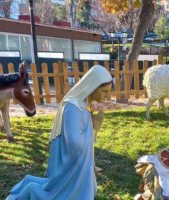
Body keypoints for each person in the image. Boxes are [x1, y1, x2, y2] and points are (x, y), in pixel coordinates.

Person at [7, 65, 112, 200]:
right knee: (58, 194)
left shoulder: (86, 104)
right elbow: (74, 143)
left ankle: (30, 182)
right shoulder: (72, 107)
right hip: (72, 163)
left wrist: (93, 129)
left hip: (80, 164)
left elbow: (84, 139)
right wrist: (93, 129)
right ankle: (30, 190)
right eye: (104, 92)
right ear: (92, 86)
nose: (107, 96)